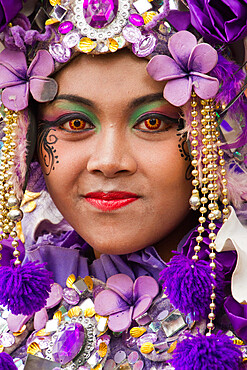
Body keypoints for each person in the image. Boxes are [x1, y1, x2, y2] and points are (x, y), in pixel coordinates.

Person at [0, 0, 246, 369]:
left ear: (211, 140)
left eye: (152, 123)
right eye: (75, 123)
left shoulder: (233, 310)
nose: (109, 162)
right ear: (29, 142)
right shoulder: (23, 290)